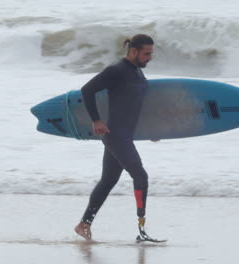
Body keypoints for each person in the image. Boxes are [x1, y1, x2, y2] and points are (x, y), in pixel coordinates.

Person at [74, 34, 155, 241]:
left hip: (125, 135)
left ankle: (84, 224)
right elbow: (87, 90)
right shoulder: (116, 71)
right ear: (133, 51)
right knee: (141, 176)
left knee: (108, 180)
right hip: (116, 136)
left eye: (151, 54)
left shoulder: (137, 73)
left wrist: (154, 130)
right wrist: (96, 120)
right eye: (146, 54)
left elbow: (136, 106)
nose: (149, 58)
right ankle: (142, 228)